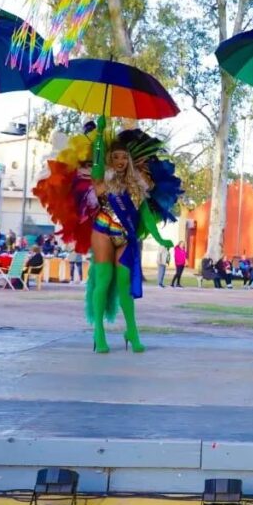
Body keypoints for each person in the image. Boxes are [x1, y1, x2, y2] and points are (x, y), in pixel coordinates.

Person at [34, 119, 179, 353]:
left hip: (126, 236)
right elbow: (98, 163)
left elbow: (145, 215)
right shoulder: (102, 178)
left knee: (124, 284)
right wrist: (100, 134)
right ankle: (99, 331)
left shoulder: (138, 184)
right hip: (102, 232)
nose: (120, 161)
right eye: (116, 157)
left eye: (124, 157)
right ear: (110, 159)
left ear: (129, 160)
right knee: (103, 280)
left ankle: (132, 331)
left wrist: (160, 238)